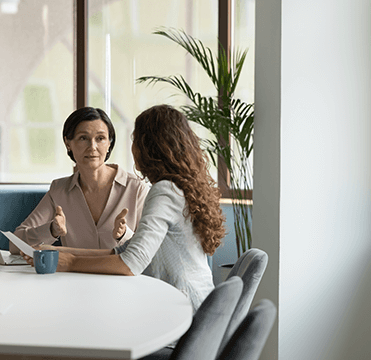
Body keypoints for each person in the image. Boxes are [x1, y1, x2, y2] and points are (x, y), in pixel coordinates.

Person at [22, 104, 226, 313]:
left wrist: (70, 262)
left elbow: (132, 262)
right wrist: (58, 252)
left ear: (150, 147)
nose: (132, 147)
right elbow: (122, 252)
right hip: (193, 305)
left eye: (136, 139)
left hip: (183, 312)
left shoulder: (163, 191)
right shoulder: (177, 187)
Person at [11, 107, 149, 254]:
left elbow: (150, 252)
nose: (92, 147)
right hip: (73, 276)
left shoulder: (136, 188)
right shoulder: (59, 190)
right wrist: (51, 230)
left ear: (109, 143)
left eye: (100, 138)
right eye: (83, 138)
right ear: (68, 143)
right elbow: (15, 244)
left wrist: (124, 235)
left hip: (121, 275)